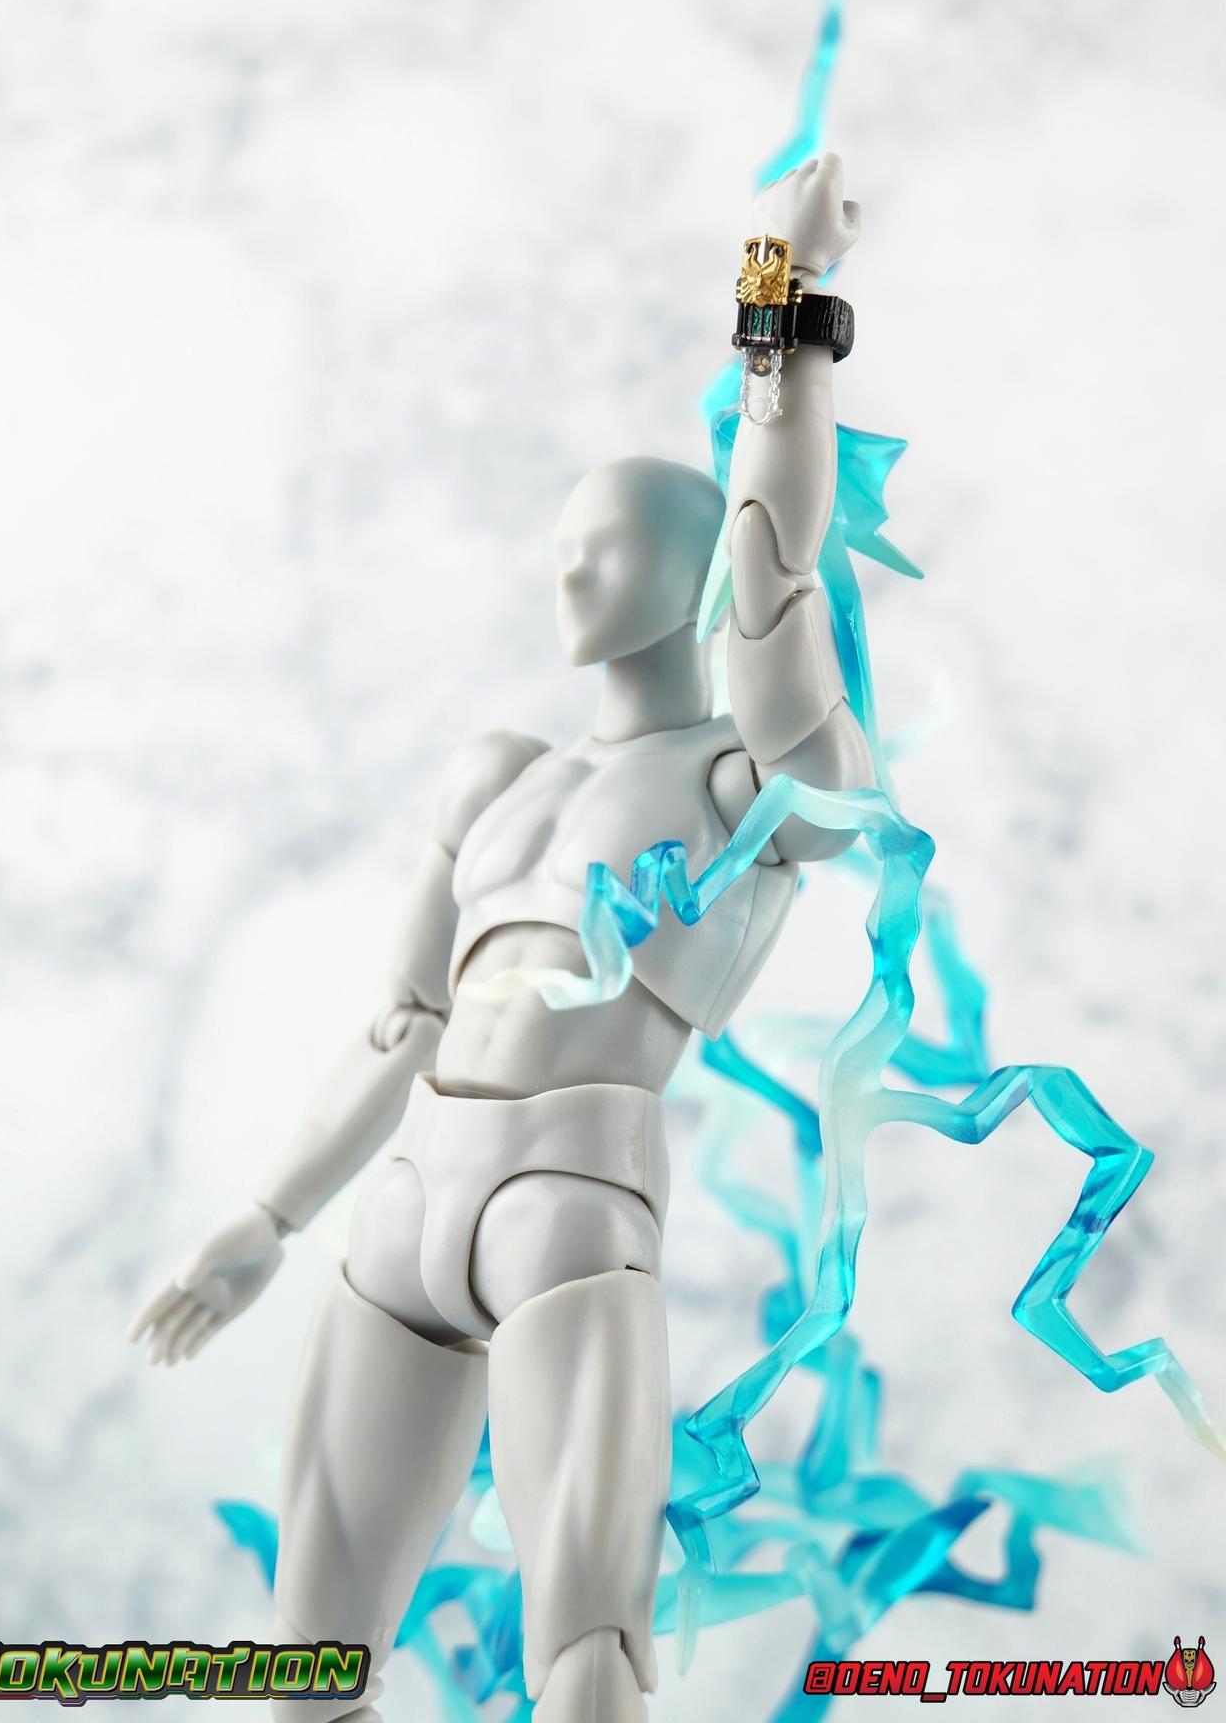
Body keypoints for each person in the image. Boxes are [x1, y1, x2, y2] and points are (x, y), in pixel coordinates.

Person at [130, 153, 870, 1723]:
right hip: (403, 1204)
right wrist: (264, 1217)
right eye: (563, 539)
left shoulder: (749, 782)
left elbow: (774, 557)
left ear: (689, 573)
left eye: (611, 542)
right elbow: (401, 1023)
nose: (569, 568)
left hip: (571, 1207)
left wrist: (781, 299)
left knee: (589, 1656)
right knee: (305, 1669)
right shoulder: (498, 776)